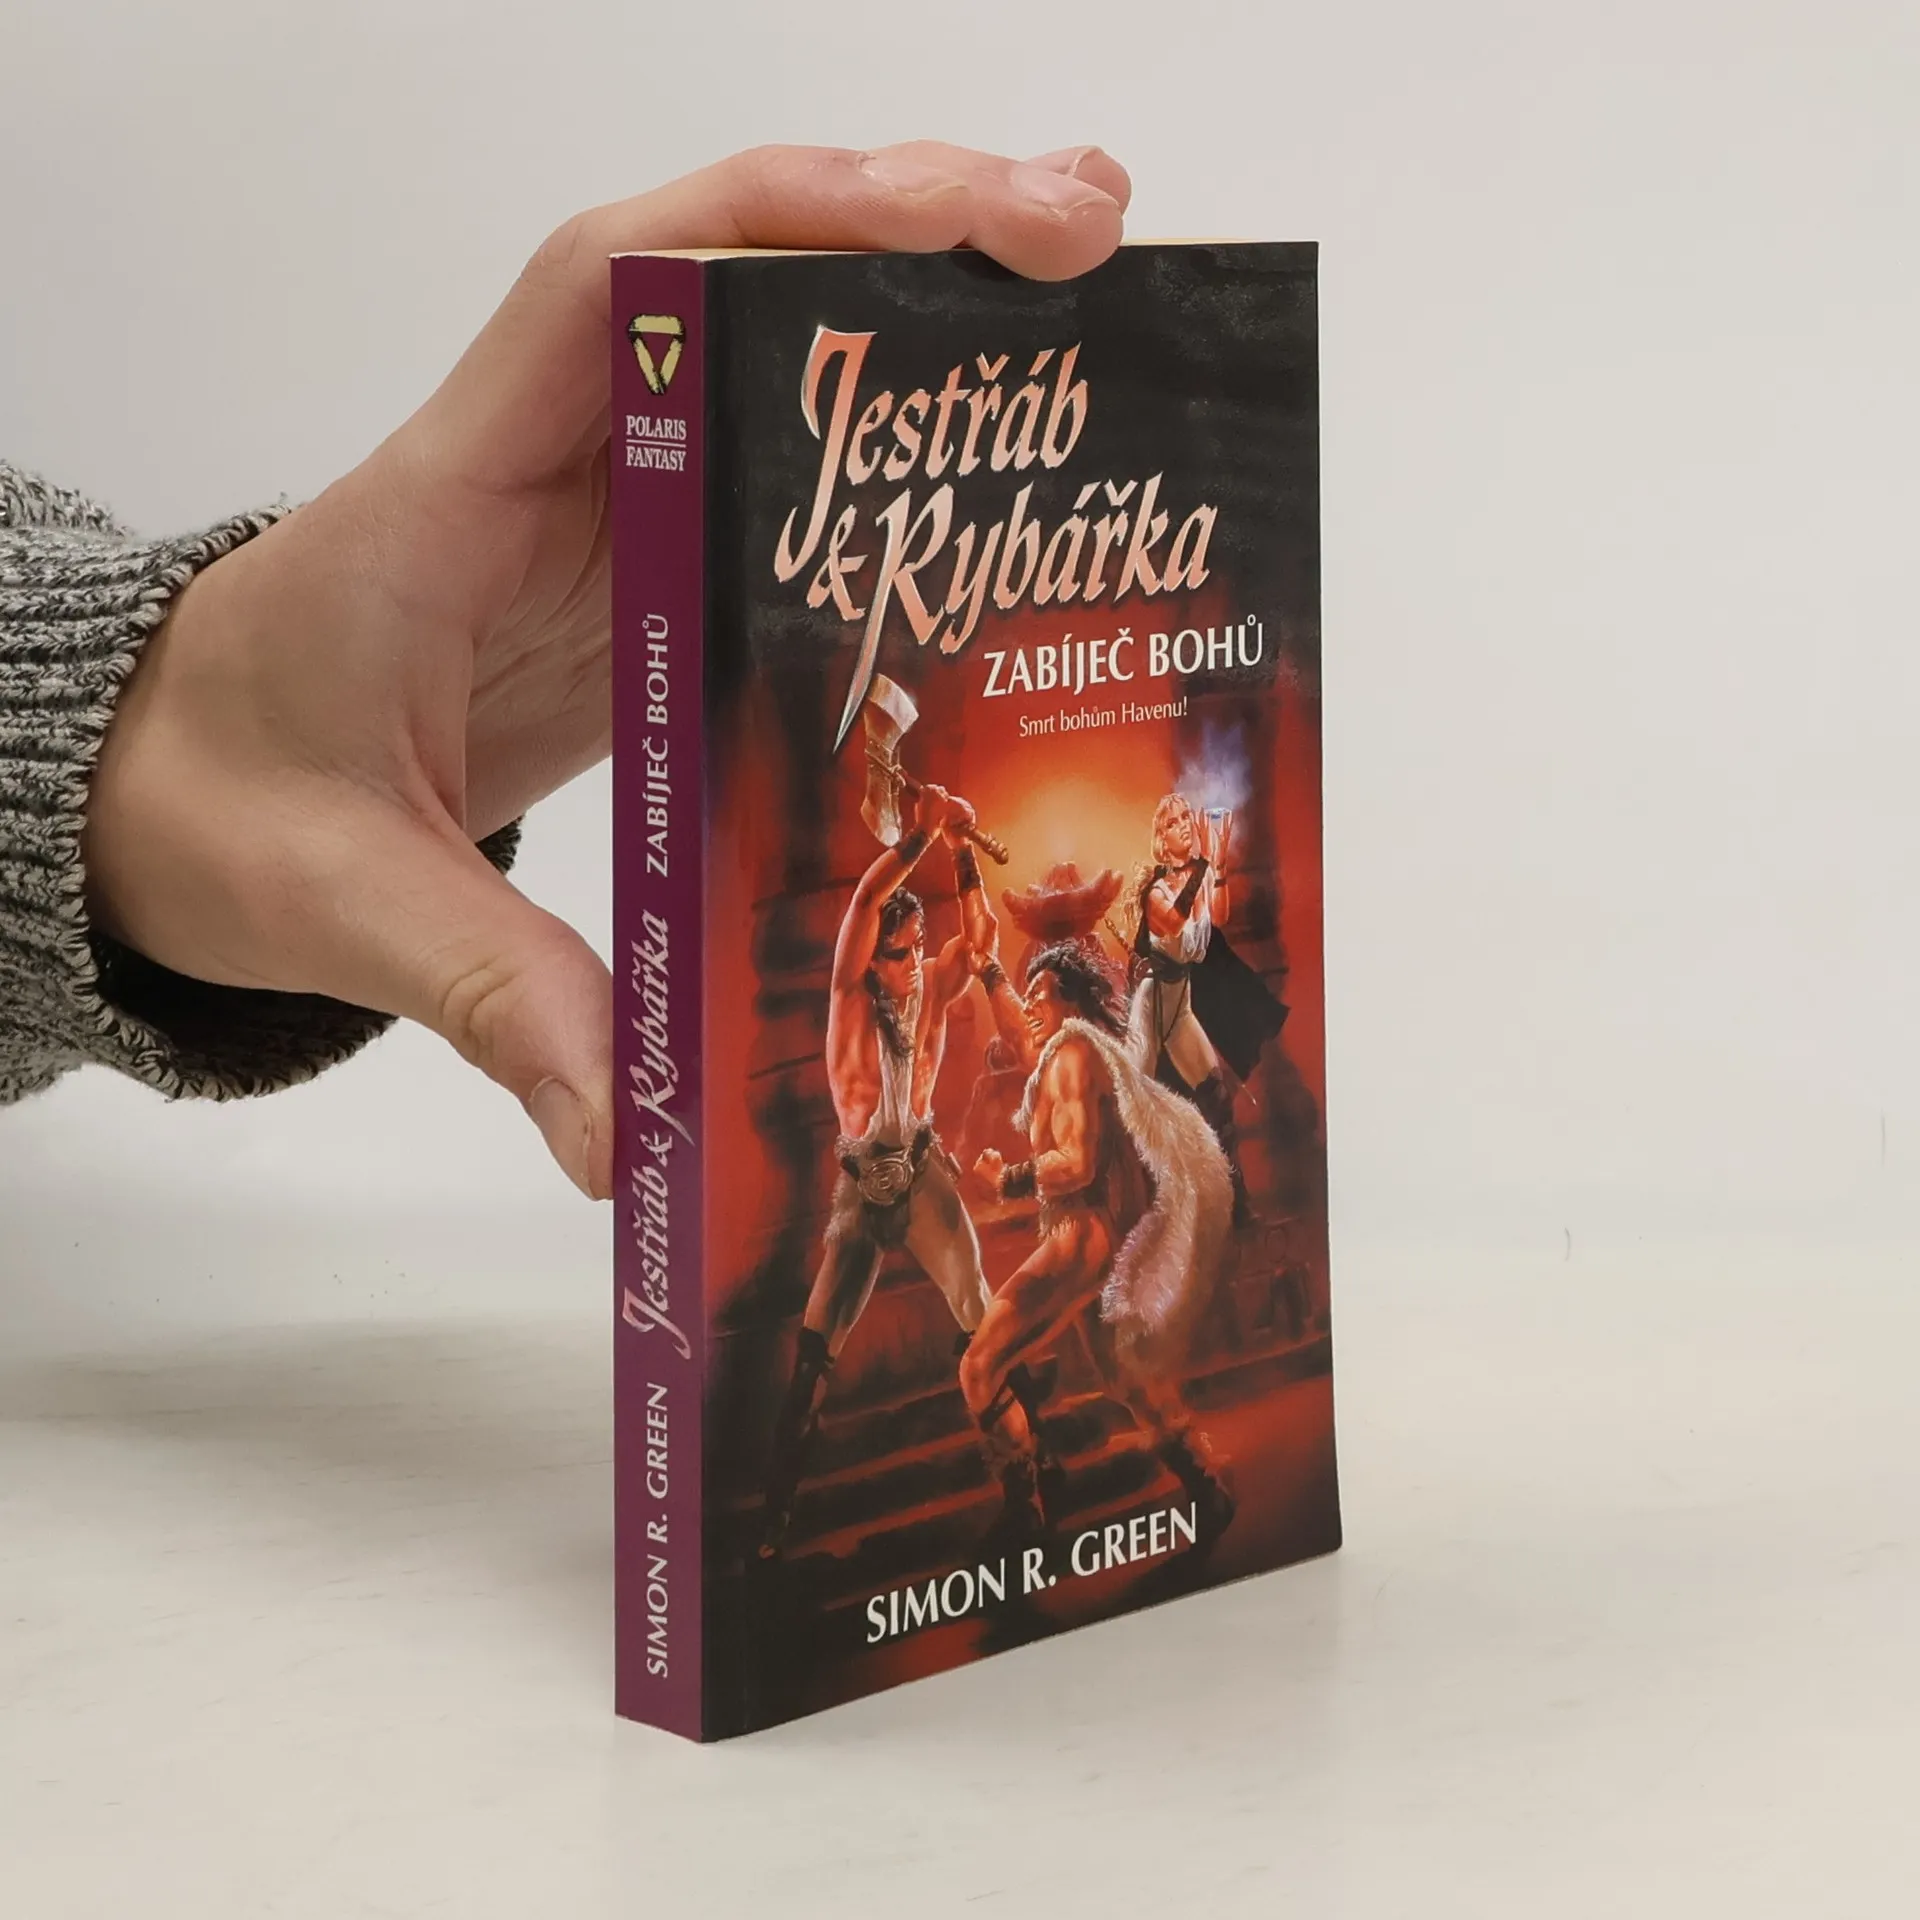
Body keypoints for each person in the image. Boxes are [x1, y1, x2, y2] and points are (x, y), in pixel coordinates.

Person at [0, 143, 1133, 1197]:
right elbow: (890, 902)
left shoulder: (952, 973)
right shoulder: (869, 965)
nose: (912, 952)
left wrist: (116, 726)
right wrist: (118, 730)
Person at [757, 780, 1000, 1558]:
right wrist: (921, 835)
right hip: (862, 1191)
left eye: (916, 949)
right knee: (813, 1359)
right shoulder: (849, 999)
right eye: (899, 955)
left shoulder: (932, 982)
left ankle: (1029, 1478)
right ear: (873, 962)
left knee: (984, 1315)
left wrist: (963, 852)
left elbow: (981, 942)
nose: (914, 966)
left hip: (921, 1174)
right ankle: (774, 1521)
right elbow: (865, 901)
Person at [967, 941, 1237, 1541]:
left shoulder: (1071, 1054)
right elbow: (1017, 1029)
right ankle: (1206, 1487)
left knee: (979, 1366)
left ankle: (1025, 1514)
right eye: (1026, 995)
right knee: (1127, 1381)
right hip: (1094, 1241)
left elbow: (1076, 1164)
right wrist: (988, 969)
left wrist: (1007, 1179)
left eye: (1039, 994)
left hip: (1078, 1238)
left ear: (1070, 1001)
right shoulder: (1070, 1051)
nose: (1029, 1006)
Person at [1128, 791, 1287, 1225]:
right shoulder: (1155, 890)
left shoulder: (1198, 878)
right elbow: (1175, 921)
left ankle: (1238, 1205)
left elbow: (1218, 917)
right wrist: (1203, 868)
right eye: (1173, 822)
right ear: (1161, 838)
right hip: (1151, 1005)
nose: (1184, 825)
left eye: (1186, 817)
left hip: (1179, 1006)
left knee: (1216, 1096)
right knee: (1138, 1107)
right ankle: (1146, 1212)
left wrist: (1217, 865)